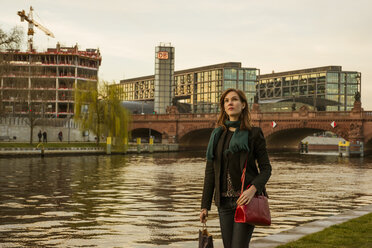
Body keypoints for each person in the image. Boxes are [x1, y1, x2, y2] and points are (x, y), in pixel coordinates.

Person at [200, 88, 272, 248]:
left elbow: (266, 169)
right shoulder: (217, 135)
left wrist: (252, 189)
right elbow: (210, 172)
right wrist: (205, 206)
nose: (230, 103)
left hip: (245, 201)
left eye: (234, 99)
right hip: (223, 202)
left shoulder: (254, 133)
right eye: (226, 101)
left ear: (243, 104)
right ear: (223, 106)